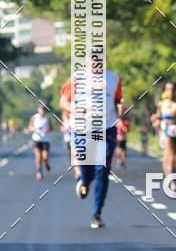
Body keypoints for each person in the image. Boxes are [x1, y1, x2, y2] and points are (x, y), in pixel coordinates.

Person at [61, 63, 123, 229]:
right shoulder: (77, 77)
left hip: (106, 128)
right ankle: (85, 180)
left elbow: (118, 100)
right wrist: (75, 110)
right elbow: (63, 101)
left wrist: (121, 110)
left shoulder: (113, 78)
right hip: (83, 129)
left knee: (102, 170)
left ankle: (97, 213)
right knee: (86, 168)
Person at [152, 82, 176, 191]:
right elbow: (158, 117)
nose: (170, 92)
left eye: (173, 89)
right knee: (169, 156)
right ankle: (170, 180)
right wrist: (156, 121)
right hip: (166, 132)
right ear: (164, 91)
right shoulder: (161, 104)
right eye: (168, 89)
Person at [27, 103, 52, 180]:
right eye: (41, 109)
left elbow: (51, 128)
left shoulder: (47, 118)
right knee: (38, 156)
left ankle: (46, 162)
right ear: (38, 109)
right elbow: (29, 127)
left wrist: (47, 130)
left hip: (45, 140)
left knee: (45, 157)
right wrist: (34, 129)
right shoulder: (34, 117)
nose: (42, 111)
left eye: (44, 109)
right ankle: (39, 171)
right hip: (37, 139)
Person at [115, 103, 130, 169]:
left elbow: (127, 128)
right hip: (117, 136)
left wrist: (125, 127)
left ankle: (122, 161)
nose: (121, 111)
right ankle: (119, 160)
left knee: (123, 150)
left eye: (122, 109)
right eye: (120, 109)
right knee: (119, 149)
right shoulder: (116, 117)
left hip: (123, 137)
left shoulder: (125, 118)